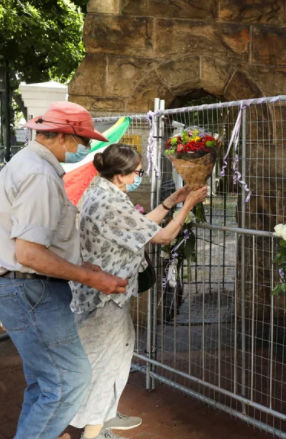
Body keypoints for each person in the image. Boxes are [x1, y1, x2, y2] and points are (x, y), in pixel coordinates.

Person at [0, 101, 128, 439]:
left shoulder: (27, 165)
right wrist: (92, 277)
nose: (84, 150)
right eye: (82, 142)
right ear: (61, 136)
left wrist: (79, 266)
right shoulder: (38, 174)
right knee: (68, 380)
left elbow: (34, 244)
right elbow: (28, 253)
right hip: (31, 288)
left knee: (46, 383)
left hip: (27, 287)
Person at [68, 144, 208, 439]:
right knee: (103, 366)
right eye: (137, 172)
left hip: (105, 293)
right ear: (119, 174)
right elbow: (162, 236)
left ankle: (101, 424)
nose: (138, 177)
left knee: (116, 354)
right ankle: (92, 435)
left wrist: (171, 202)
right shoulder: (111, 203)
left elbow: (140, 227)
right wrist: (188, 206)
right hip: (104, 297)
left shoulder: (103, 191)